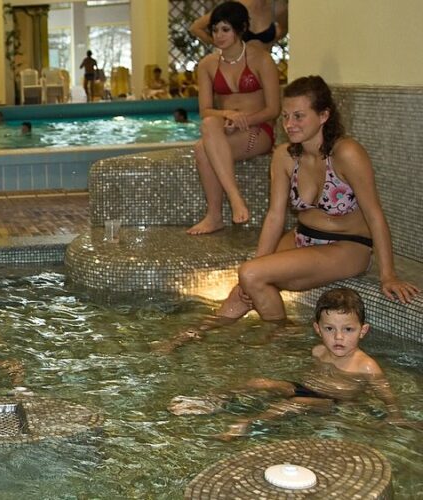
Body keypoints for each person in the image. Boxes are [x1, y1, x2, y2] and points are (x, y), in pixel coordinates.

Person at [215, 75, 419, 323]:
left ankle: (279, 339)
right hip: (302, 237)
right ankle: (195, 335)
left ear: (323, 115)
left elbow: (374, 214)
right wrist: (258, 266)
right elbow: (275, 215)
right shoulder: (285, 156)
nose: (289, 124)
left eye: (298, 116)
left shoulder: (347, 154)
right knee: (244, 288)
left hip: (347, 246)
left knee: (251, 273)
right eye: (285, 116)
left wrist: (388, 275)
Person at [169, 288, 417, 439]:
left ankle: (246, 425)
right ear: (317, 329)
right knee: (259, 382)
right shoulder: (319, 350)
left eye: (348, 329)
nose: (339, 337)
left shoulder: (366, 366)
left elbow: (387, 395)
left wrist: (395, 416)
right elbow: (307, 375)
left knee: (293, 405)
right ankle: (212, 399)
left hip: (332, 403)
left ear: (363, 331)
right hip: (305, 388)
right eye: (330, 329)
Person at [187, 1, 280, 235]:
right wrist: (227, 115)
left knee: (202, 149)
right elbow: (206, 111)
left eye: (225, 29)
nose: (218, 35)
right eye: (215, 30)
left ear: (241, 28)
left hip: (258, 130)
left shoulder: (261, 59)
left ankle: (219, 212)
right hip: (227, 129)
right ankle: (227, 205)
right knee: (209, 124)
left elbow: (274, 109)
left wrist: (245, 120)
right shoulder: (207, 65)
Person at [190, 0, 289, 51]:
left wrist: (271, 41)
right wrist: (221, 44)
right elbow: (196, 28)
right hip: (236, 69)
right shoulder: (237, 7)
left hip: (264, 69)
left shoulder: (279, 7)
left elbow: (284, 29)